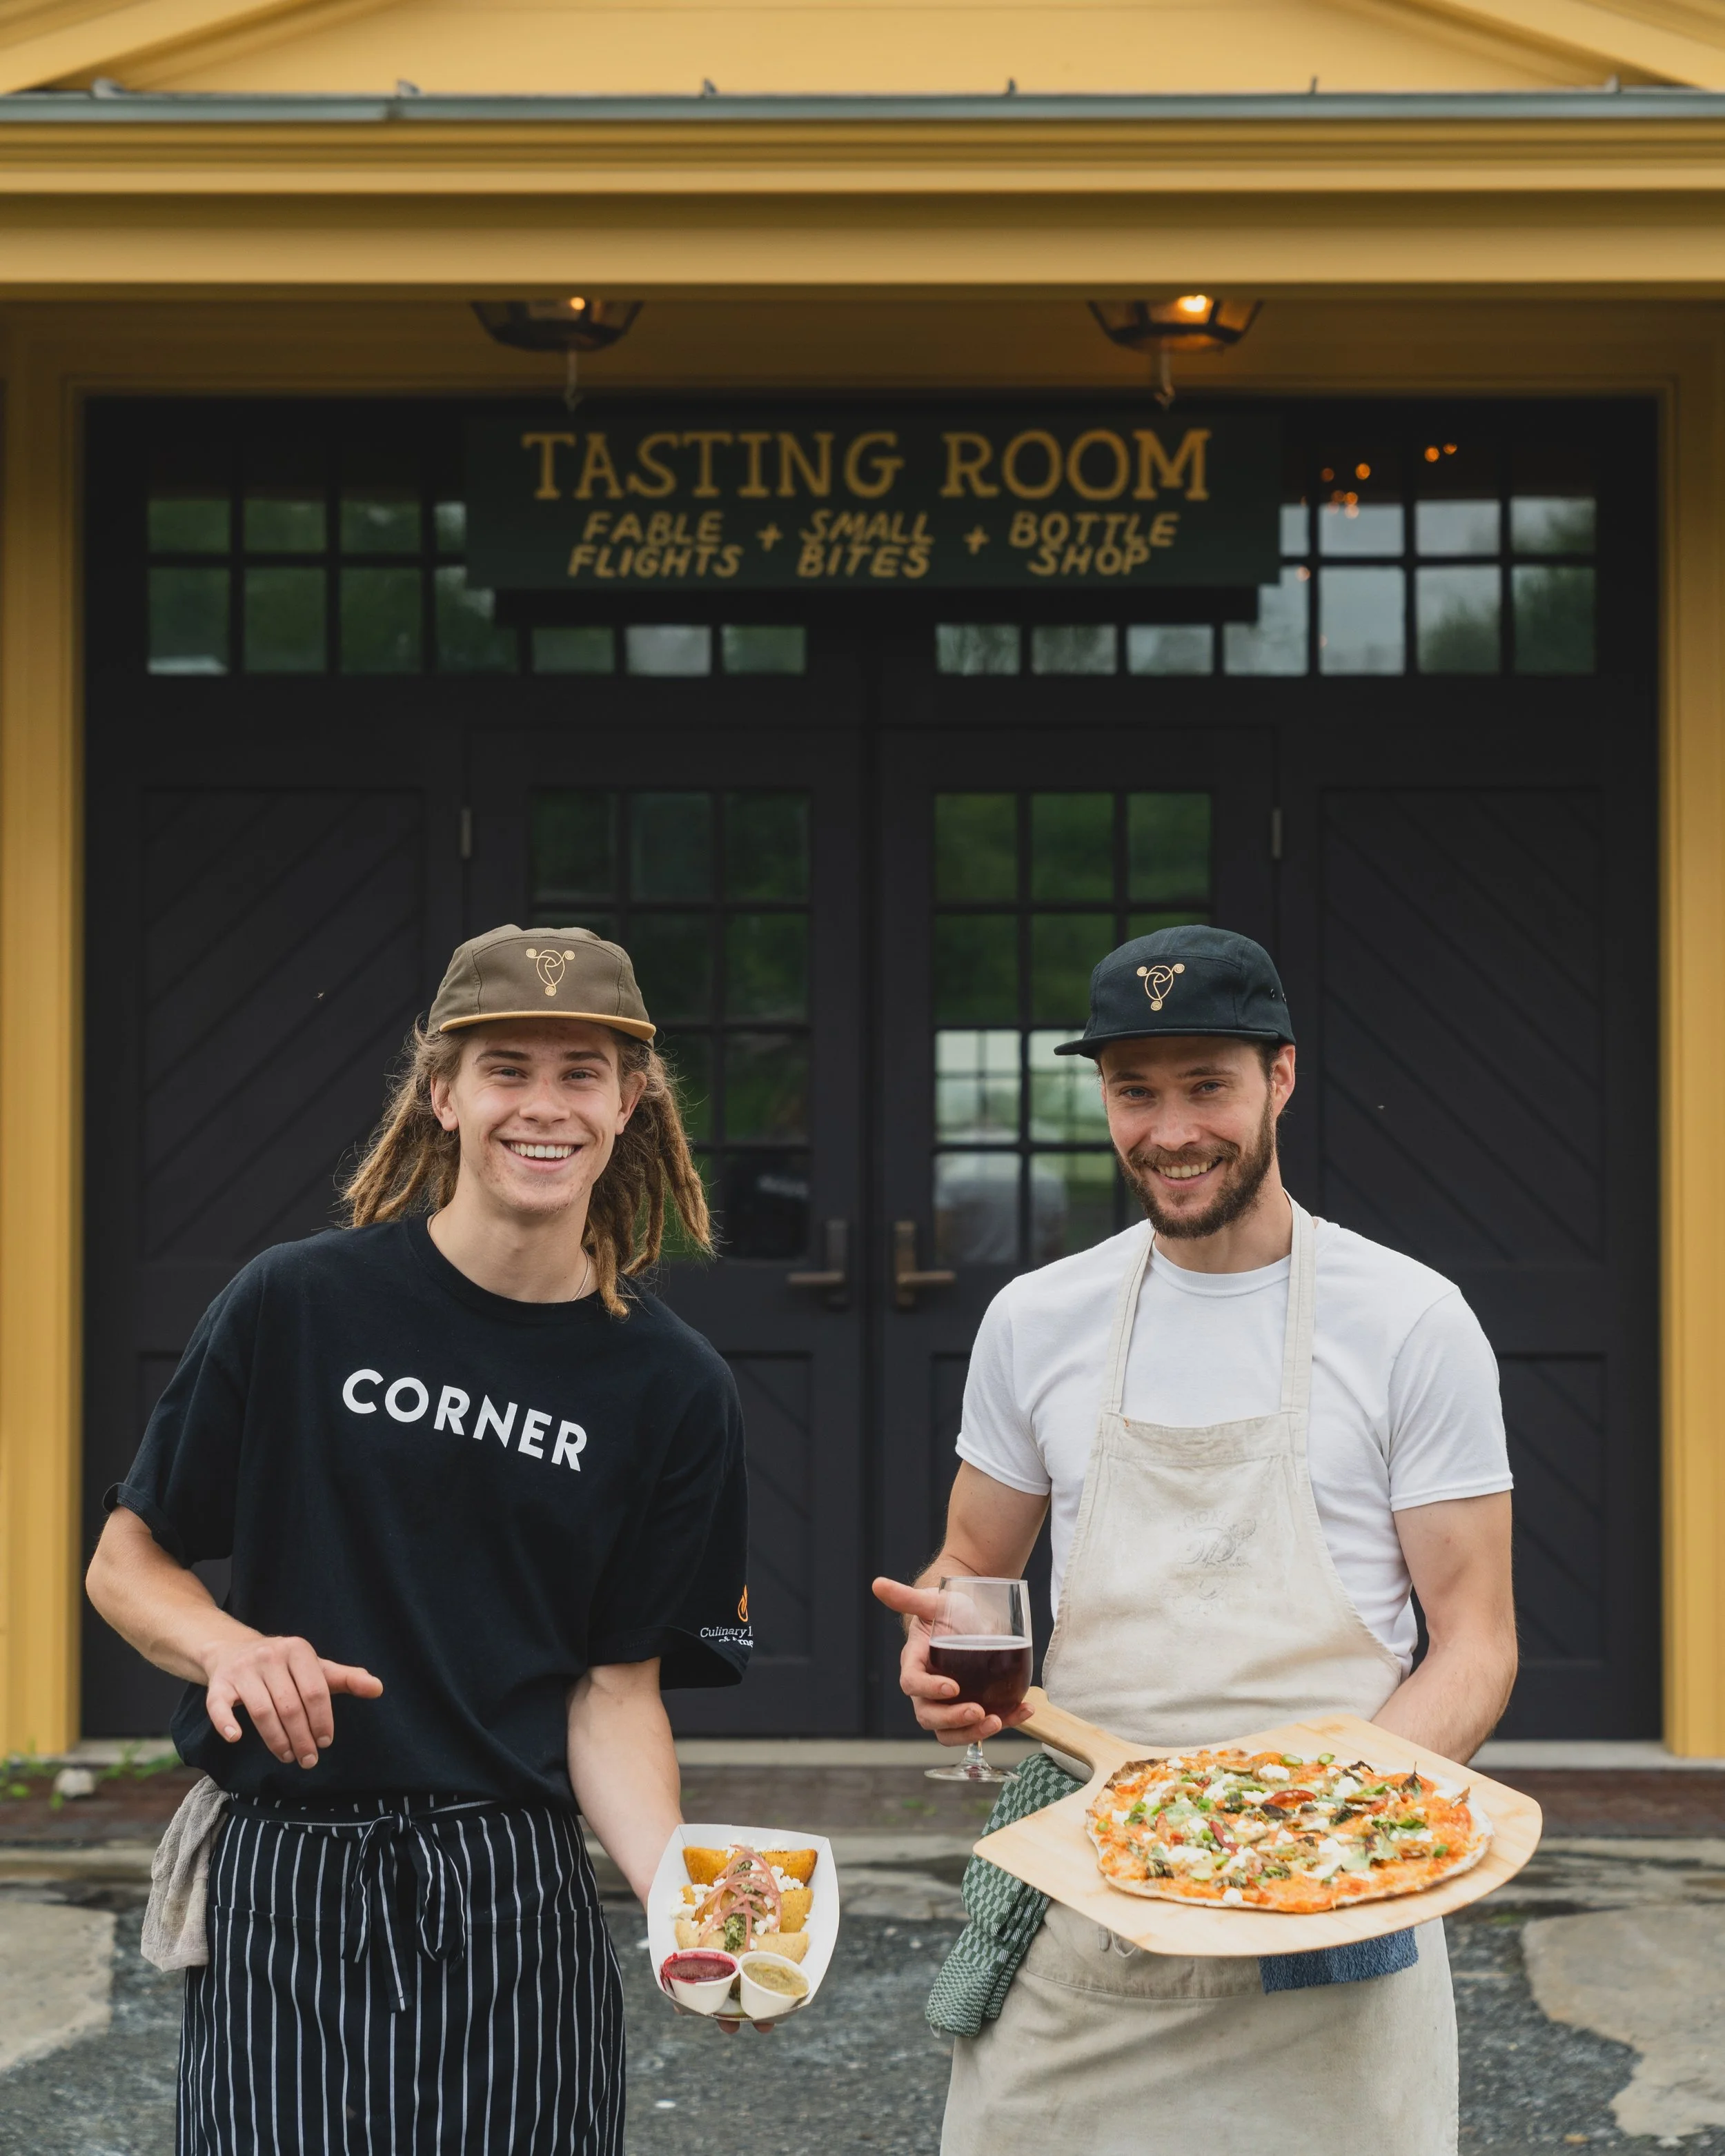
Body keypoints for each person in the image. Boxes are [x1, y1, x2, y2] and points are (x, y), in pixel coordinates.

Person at [86, 923, 751, 2156]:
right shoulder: (296, 1304)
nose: (542, 1106)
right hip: (288, 1877)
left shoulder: (673, 1388)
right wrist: (229, 1648)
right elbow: (128, 1561)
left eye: (581, 1072)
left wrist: (685, 1904)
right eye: (506, 1069)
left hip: (515, 1887)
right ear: (442, 1092)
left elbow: (614, 1696)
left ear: (629, 1104)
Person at [875, 923, 1517, 2155]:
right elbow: (970, 1566)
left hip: (1331, 1908)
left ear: (1281, 1077)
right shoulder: (1037, 1318)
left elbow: (1477, 1645)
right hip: (1088, 1894)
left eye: (1207, 1086)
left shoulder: (1411, 1322)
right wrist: (939, 1645)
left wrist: (1302, 1832)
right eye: (1136, 1092)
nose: (1171, 1131)